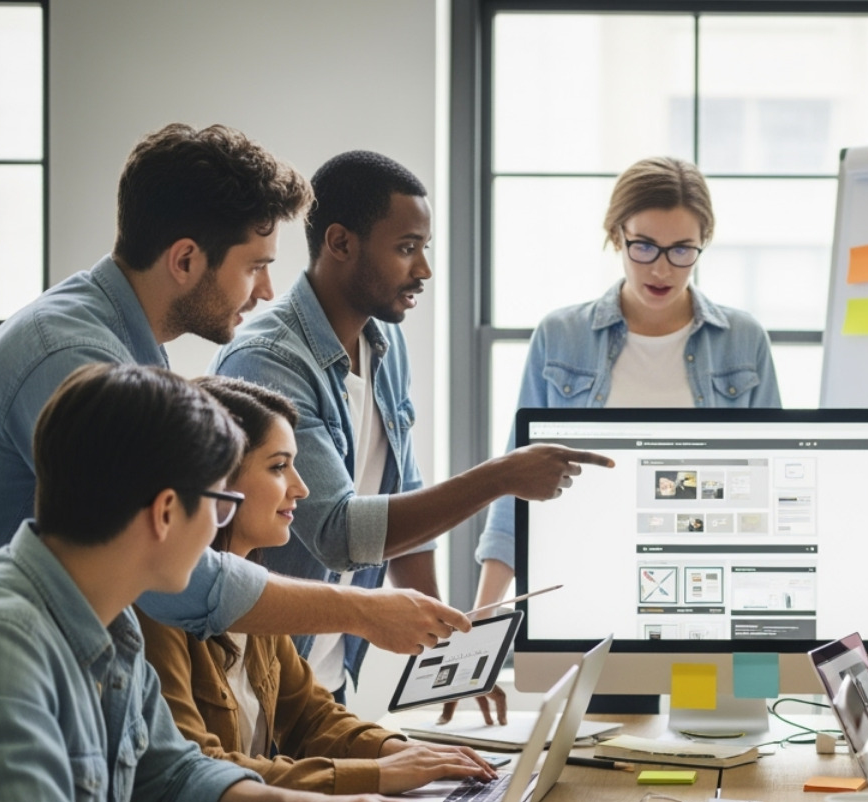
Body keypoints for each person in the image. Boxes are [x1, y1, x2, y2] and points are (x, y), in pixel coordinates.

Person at [0, 364, 437, 802]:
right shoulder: (0, 638)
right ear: (167, 512)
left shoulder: (112, 622)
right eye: (218, 502)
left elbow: (171, 778)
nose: (220, 531)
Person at [0, 123, 468, 658]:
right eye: (255, 266)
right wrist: (361, 611)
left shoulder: (126, 345)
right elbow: (173, 574)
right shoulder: (71, 357)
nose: (267, 291)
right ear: (185, 260)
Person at [213, 151, 611, 703]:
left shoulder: (384, 341)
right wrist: (500, 477)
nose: (423, 268)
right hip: (259, 684)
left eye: (424, 248)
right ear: (340, 243)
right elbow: (340, 534)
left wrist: (450, 654)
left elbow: (401, 499)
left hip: (327, 681)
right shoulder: (268, 359)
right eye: (406, 249)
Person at [469, 155, 781, 718]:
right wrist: (482, 624)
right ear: (616, 236)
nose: (661, 268)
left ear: (703, 243)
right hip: (595, 597)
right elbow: (516, 484)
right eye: (644, 246)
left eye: (682, 250)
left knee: (722, 754)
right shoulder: (561, 337)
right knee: (609, 763)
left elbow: (769, 487)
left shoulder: (743, 340)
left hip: (713, 602)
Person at [139, 377, 499, 794]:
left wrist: (402, 751)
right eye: (278, 466)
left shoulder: (258, 596)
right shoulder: (158, 606)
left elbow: (311, 717)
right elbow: (199, 772)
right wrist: (380, 775)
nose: (301, 487)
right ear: (218, 478)